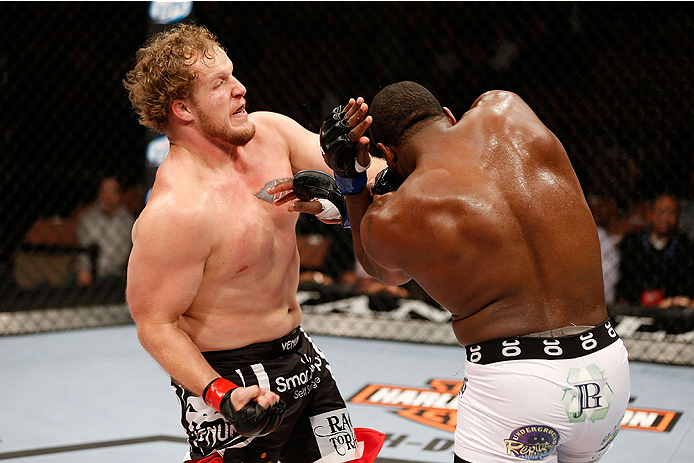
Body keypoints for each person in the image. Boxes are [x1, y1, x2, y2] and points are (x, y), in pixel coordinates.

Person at [318, 82, 630, 462]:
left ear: (387, 153)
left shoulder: (395, 215)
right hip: (606, 363)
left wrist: (351, 182)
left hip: (516, 385)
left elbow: (381, 267)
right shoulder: (507, 108)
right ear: (447, 115)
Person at [123, 24, 382, 463]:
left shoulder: (271, 134)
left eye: (233, 75)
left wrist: (351, 172)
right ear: (183, 108)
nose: (241, 89)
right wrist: (221, 395)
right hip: (232, 375)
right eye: (220, 84)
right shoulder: (177, 211)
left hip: (300, 354)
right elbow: (156, 325)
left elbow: (374, 181)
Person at [616, 193, 694, 308]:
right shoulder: (632, 242)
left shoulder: (686, 246)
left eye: (671, 213)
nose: (665, 218)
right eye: (661, 212)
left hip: (673, 308)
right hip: (636, 307)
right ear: (650, 214)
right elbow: (624, 283)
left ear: (678, 217)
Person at [75, 176, 135, 286]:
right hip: (89, 272)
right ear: (98, 194)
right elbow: (84, 252)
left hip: (116, 274)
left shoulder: (128, 221)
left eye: (113, 191)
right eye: (104, 191)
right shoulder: (87, 219)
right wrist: (84, 270)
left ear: (120, 194)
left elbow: (123, 255)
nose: (108, 196)